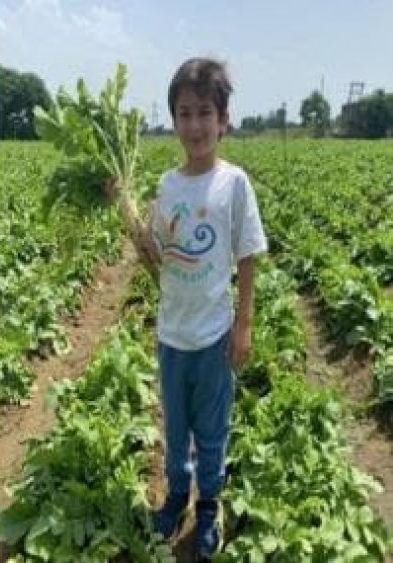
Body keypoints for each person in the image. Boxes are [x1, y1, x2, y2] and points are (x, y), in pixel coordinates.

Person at [122, 58, 267, 560]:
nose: (195, 125)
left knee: (211, 429)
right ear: (174, 120)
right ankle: (177, 497)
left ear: (223, 120)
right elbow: (161, 258)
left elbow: (248, 255)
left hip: (212, 336)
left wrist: (243, 325)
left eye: (205, 112)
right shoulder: (167, 186)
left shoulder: (234, 183)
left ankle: (208, 508)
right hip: (171, 335)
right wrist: (128, 214)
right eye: (185, 113)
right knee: (175, 426)